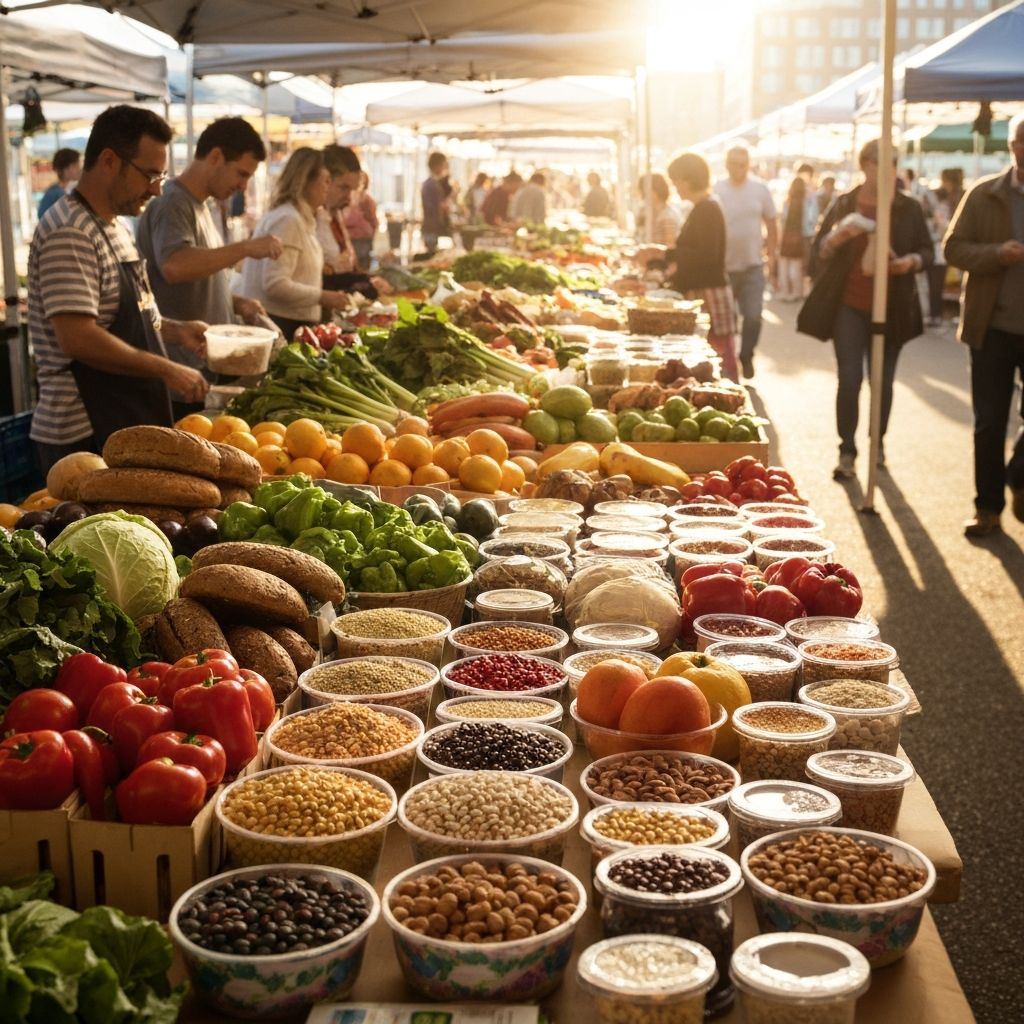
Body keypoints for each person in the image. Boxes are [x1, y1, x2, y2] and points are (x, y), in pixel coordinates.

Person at [28, 105, 208, 471]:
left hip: (121, 417)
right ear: (109, 160)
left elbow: (131, 317)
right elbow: (78, 338)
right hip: (83, 433)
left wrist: (177, 331)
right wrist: (167, 369)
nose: (158, 189)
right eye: (150, 175)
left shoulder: (115, 226)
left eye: (162, 176)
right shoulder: (70, 231)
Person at [798, 138, 933, 482]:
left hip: (892, 306)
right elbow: (819, 253)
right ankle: (847, 449)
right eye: (879, 163)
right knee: (850, 378)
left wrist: (909, 262)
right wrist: (837, 239)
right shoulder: (845, 203)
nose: (886, 170)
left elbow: (927, 252)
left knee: (882, 381)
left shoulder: (908, 207)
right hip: (850, 304)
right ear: (865, 165)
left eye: (892, 163)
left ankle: (878, 443)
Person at [137, 117, 279, 419]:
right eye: (241, 173)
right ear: (215, 156)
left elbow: (199, 276)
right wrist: (246, 248)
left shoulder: (202, 206)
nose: (243, 186)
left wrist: (235, 302)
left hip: (203, 371)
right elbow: (175, 266)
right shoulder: (172, 202)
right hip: (181, 375)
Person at [944, 112, 1024, 537]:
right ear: (1011, 145)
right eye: (1022, 140)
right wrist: (996, 253)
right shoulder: (983, 194)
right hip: (990, 327)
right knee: (989, 421)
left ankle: (1018, 475)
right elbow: (952, 248)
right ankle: (987, 509)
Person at [237, 147, 352, 338]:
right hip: (281, 326)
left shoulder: (299, 218)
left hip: (289, 324)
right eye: (325, 180)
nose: (328, 186)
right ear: (306, 181)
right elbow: (275, 284)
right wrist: (322, 296)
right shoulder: (288, 220)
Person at [666, 152, 738, 382]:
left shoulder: (708, 208)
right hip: (704, 292)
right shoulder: (703, 207)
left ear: (688, 179)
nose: (675, 186)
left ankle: (728, 399)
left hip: (709, 294)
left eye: (676, 180)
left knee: (716, 359)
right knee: (712, 358)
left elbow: (708, 256)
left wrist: (666, 254)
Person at [714, 145, 778, 379]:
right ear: (726, 164)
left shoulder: (760, 189)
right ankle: (729, 366)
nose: (737, 168)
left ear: (748, 164)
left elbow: (771, 223)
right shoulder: (718, 189)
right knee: (726, 322)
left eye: (742, 164)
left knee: (753, 315)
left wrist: (772, 259)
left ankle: (747, 353)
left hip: (752, 265)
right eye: (733, 163)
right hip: (724, 267)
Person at [777, 176, 812, 302]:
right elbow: (809, 223)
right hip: (800, 238)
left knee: (785, 266)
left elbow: (782, 221)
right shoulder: (807, 202)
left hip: (787, 237)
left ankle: (786, 292)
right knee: (797, 267)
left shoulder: (787, 202)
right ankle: (797, 292)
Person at [344, 171, 379, 272]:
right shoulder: (351, 200)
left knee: (362, 267)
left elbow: (373, 221)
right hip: (355, 239)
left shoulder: (367, 200)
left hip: (363, 239)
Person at [638, 173, 683, 248]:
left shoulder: (667, 216)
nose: (643, 196)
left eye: (644, 192)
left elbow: (670, 247)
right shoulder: (655, 212)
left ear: (655, 191)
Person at [421, 151, 452, 253]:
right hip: (431, 227)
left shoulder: (435, 183)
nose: (445, 167)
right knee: (432, 254)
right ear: (437, 165)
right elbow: (430, 206)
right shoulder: (429, 184)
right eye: (444, 164)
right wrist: (442, 206)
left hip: (434, 227)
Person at [37, 147, 80, 219]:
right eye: (76, 166)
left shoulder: (65, 190)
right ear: (66, 169)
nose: (79, 169)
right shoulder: (55, 193)